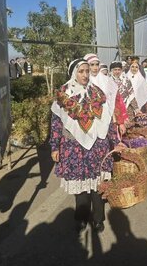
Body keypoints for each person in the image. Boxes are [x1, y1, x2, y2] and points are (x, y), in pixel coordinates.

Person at [50, 59, 124, 234]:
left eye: (86, 71)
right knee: (81, 188)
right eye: (81, 71)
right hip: (74, 147)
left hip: (98, 146)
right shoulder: (64, 93)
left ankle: (98, 219)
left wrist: (115, 141)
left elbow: (108, 120)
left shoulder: (96, 92)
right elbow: (56, 123)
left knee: (98, 186)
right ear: (73, 73)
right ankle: (81, 218)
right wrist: (54, 146)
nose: (85, 74)